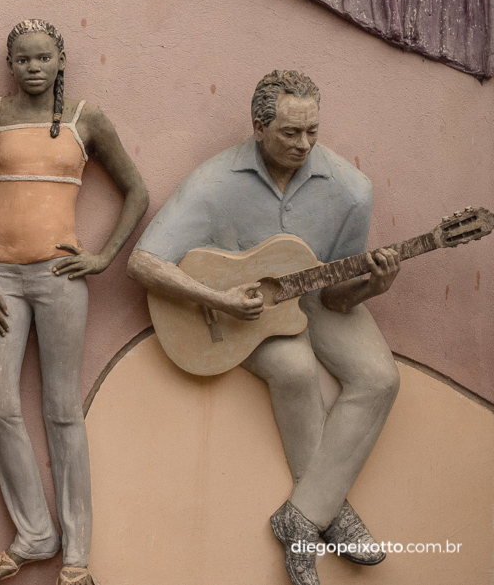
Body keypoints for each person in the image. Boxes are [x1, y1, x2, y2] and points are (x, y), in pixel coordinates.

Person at [127, 70, 402, 585]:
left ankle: (303, 516)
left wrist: (371, 287)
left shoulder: (351, 191)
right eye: (290, 133)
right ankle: (328, 515)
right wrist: (218, 299)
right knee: (295, 367)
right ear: (258, 127)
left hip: (319, 298)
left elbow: (338, 294)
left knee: (380, 377)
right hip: (236, 310)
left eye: (312, 132)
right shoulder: (213, 182)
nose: (304, 144)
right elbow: (143, 262)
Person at [0, 20, 148, 585]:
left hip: (61, 277)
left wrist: (104, 256)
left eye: (44, 57)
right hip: (0, 278)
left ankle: (75, 555)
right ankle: (35, 533)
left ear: (60, 60)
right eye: (23, 58)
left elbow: (137, 191)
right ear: (10, 63)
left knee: (63, 410)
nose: (34, 66)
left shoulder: (85, 119)